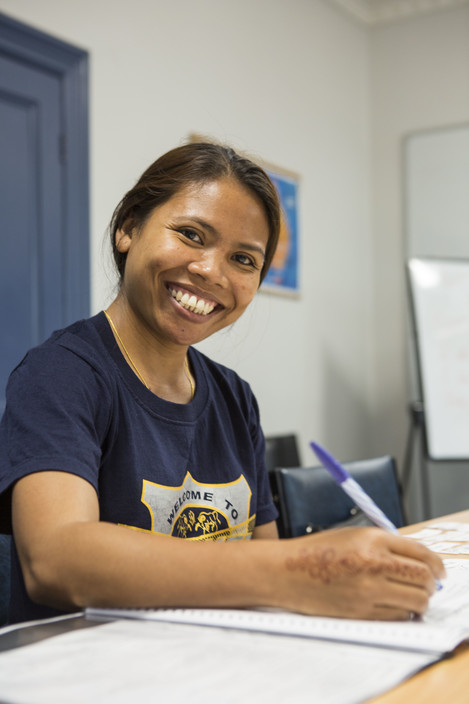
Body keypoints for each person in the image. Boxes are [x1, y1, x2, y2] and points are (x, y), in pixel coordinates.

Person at [0, 141, 444, 625]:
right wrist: (301, 569)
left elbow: (262, 555)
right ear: (129, 227)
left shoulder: (235, 396)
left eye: (244, 260)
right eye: (191, 234)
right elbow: (56, 561)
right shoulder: (61, 374)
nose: (211, 271)